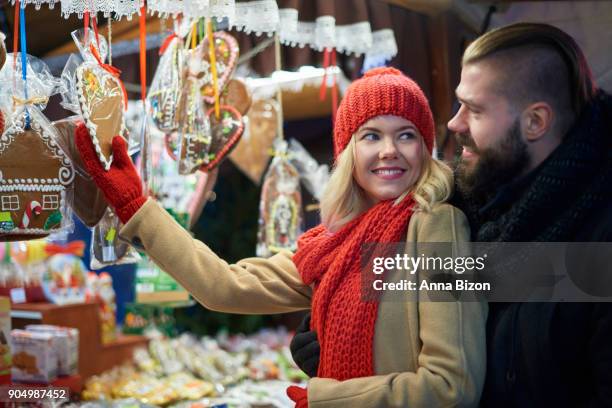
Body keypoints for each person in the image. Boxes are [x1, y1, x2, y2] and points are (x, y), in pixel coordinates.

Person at [76, 67, 487, 407]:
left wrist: (329, 398)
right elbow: (224, 286)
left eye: (406, 134)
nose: (389, 150)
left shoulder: (437, 227)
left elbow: (452, 386)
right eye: (371, 135)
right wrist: (138, 208)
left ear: (424, 148)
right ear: (347, 155)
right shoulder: (334, 245)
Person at [290, 23, 612, 407]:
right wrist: (341, 321)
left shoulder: (597, 241)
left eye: (474, 110)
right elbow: (420, 293)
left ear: (535, 122)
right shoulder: (467, 202)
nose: (454, 123)